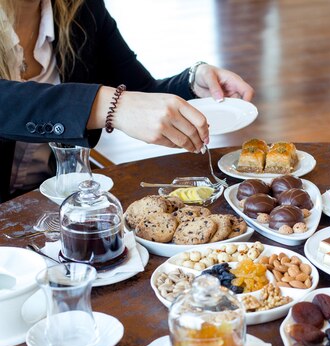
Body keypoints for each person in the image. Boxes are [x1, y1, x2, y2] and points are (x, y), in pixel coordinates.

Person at [0, 0, 254, 202]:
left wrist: (193, 83)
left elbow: (140, 91)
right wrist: (112, 105)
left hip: (51, 201)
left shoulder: (81, 8)